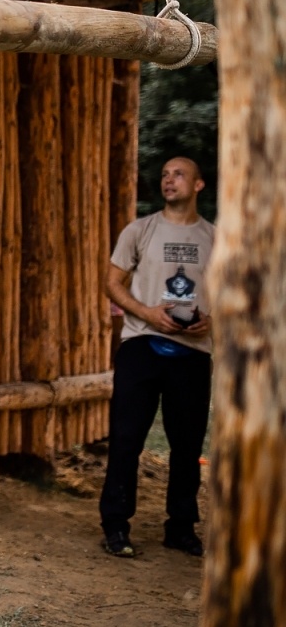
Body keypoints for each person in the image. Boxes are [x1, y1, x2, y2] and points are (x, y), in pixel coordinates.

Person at [100, 156, 214, 558]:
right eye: (165, 174)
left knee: (187, 445)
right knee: (126, 439)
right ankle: (115, 525)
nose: (169, 180)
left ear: (198, 185)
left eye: (179, 174)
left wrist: (211, 321)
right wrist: (147, 313)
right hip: (141, 345)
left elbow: (234, 292)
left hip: (193, 351)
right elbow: (112, 283)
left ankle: (180, 527)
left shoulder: (215, 238)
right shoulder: (139, 230)